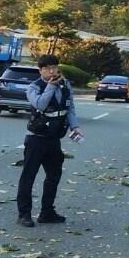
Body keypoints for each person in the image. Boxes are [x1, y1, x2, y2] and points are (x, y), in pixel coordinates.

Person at [17, 54, 83, 227]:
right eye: (47, 68)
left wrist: (74, 126)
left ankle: (47, 212)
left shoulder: (65, 84)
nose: (52, 71)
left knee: (54, 175)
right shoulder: (34, 87)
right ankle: (24, 214)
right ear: (40, 70)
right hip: (36, 139)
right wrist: (50, 87)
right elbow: (41, 104)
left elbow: (70, 107)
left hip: (54, 139)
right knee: (28, 176)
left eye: (54, 67)